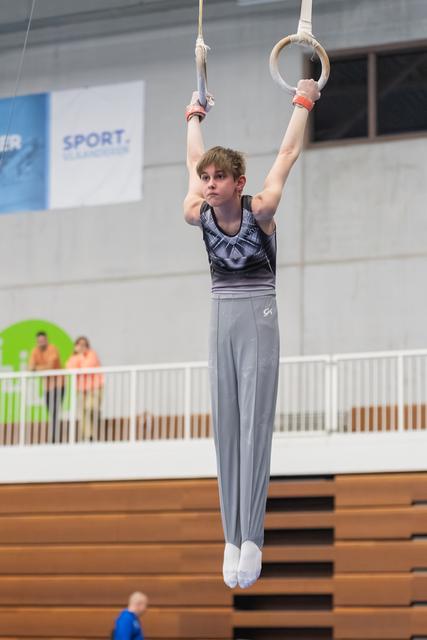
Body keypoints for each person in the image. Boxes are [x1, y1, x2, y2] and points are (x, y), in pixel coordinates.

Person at [183, 80, 321, 589]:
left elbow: (286, 153)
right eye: (207, 178)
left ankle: (252, 539)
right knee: (226, 427)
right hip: (221, 314)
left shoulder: (260, 209)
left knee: (254, 425)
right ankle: (230, 536)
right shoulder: (196, 212)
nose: (210, 183)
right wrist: (193, 115)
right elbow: (195, 156)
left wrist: (303, 102)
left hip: (259, 313)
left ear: (238, 183)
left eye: (220, 177)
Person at [28, 331, 65, 443]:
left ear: (47, 340)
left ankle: (55, 437)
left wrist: (37, 368)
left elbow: (50, 366)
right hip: (47, 386)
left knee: (55, 410)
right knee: (51, 411)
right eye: (39, 341)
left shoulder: (53, 349)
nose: (41, 342)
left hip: (59, 384)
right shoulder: (35, 351)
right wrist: (37, 368)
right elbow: (30, 367)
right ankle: (54, 436)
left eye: (43, 340)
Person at [66, 336, 103, 442]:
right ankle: (89, 436)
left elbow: (86, 367)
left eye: (84, 345)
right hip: (81, 389)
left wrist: (81, 356)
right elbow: (70, 368)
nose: (81, 347)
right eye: (79, 344)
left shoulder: (92, 354)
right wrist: (79, 356)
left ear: (87, 346)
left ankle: (91, 433)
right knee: (82, 412)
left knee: (90, 408)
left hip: (95, 387)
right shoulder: (73, 357)